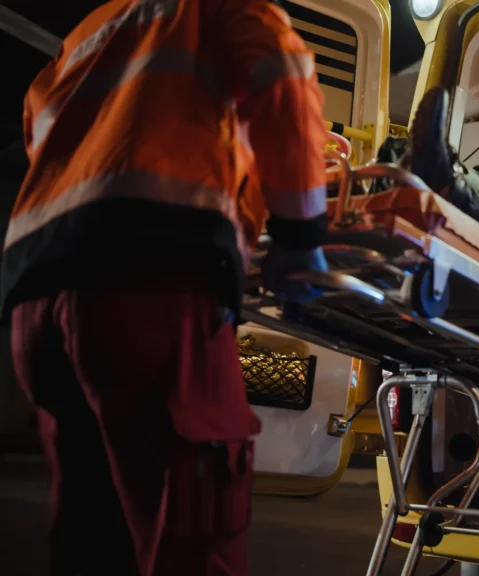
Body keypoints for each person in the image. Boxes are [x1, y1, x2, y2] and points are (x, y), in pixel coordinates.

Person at [2, 1, 329, 574]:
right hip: (146, 290)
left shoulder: (92, 30)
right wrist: (301, 233)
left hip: (37, 301)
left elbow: (59, 137)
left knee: (90, 534)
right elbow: (282, 76)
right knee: (191, 529)